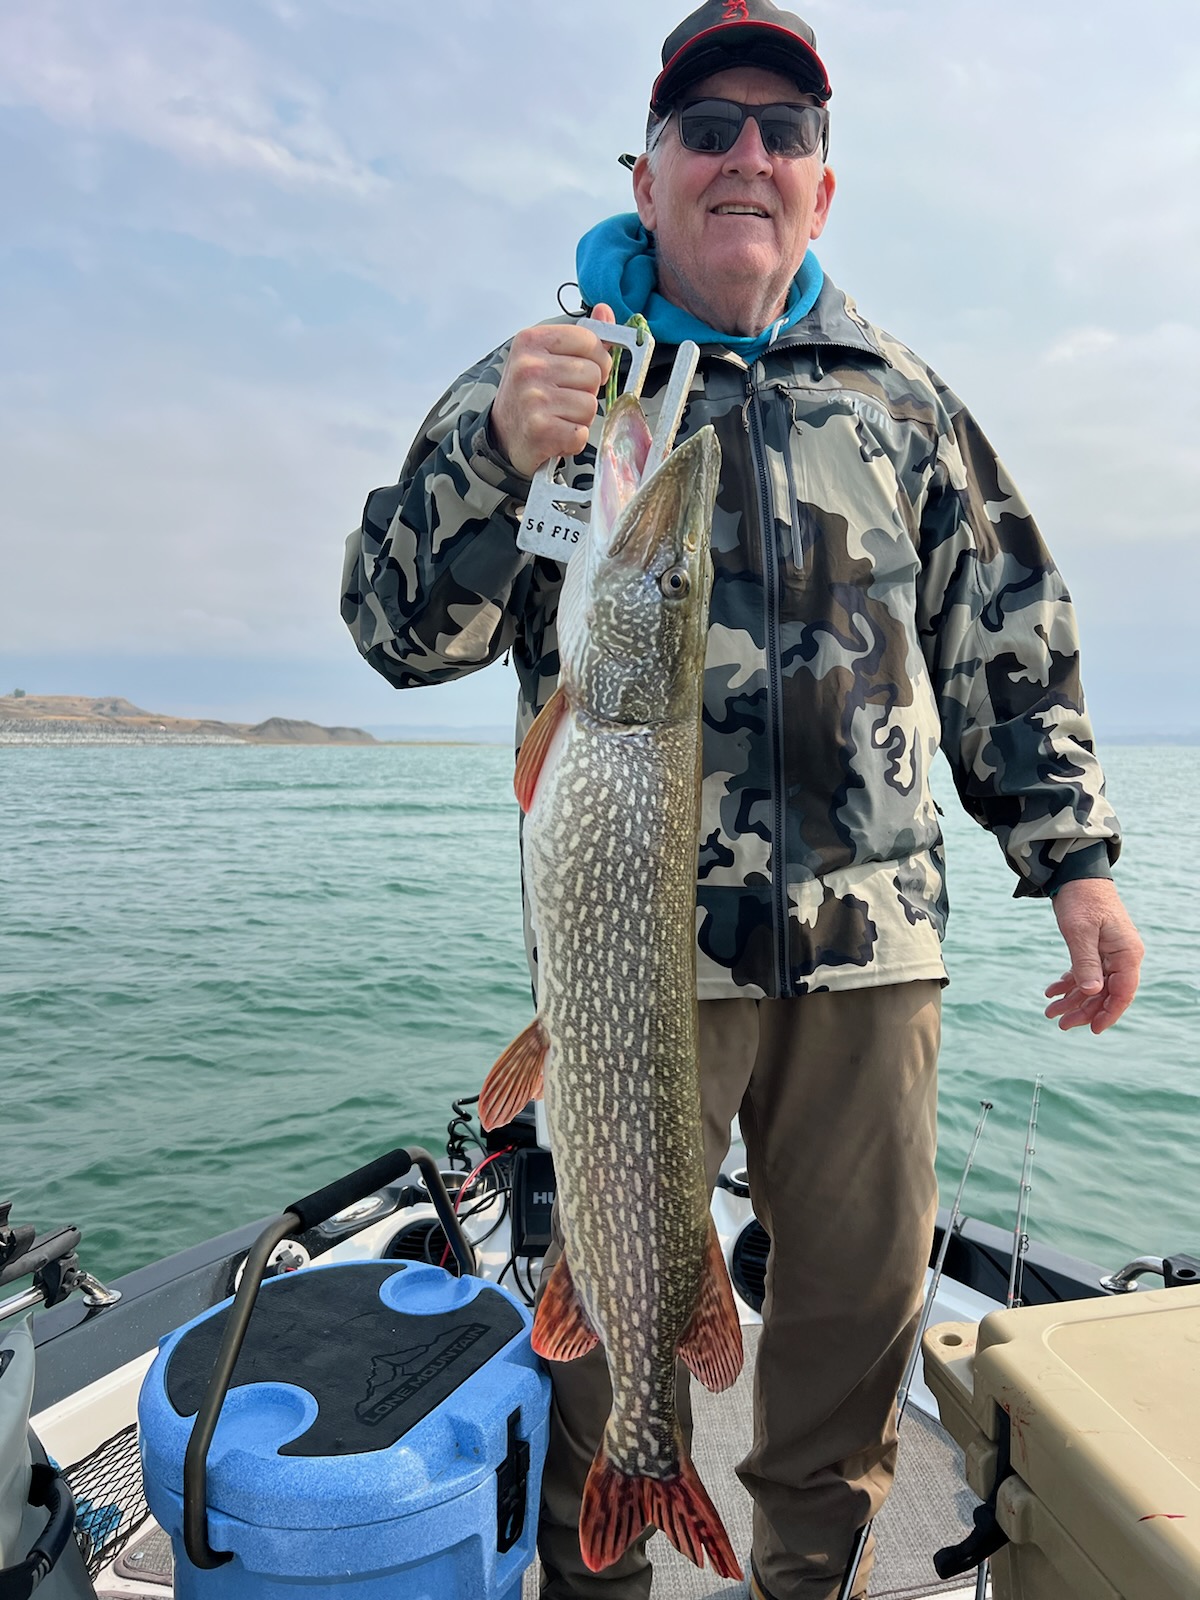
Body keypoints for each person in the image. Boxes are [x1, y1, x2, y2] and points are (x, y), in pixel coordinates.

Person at [341, 3, 1145, 1595]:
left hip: (873, 957)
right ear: (645, 176)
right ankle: (601, 1571)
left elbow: (1006, 637)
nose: (748, 156)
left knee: (852, 1336)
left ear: (822, 187)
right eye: (707, 128)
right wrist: (495, 458)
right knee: (599, 1343)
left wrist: (1077, 862)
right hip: (643, 966)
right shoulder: (552, 384)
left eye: (786, 131)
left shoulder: (902, 399)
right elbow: (394, 629)